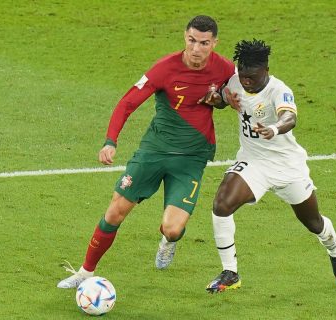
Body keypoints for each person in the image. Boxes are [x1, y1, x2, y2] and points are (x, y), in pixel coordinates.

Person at [57, 15, 235, 289]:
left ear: (214, 43)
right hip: (154, 152)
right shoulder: (165, 68)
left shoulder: (225, 69)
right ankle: (85, 272)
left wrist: (225, 101)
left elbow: (242, 95)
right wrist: (110, 141)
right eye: (191, 41)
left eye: (204, 43)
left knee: (173, 228)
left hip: (191, 159)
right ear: (184, 37)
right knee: (115, 211)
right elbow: (127, 102)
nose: (197, 48)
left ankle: (167, 242)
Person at [205, 39, 336, 293]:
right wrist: (216, 98)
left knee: (313, 222)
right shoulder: (236, 80)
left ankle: (335, 248)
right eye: (242, 75)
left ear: (266, 70)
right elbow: (222, 99)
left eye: (251, 76)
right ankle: (231, 272)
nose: (246, 81)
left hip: (287, 166)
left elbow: (289, 116)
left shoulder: (278, 90)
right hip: (253, 162)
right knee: (221, 204)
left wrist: (274, 128)